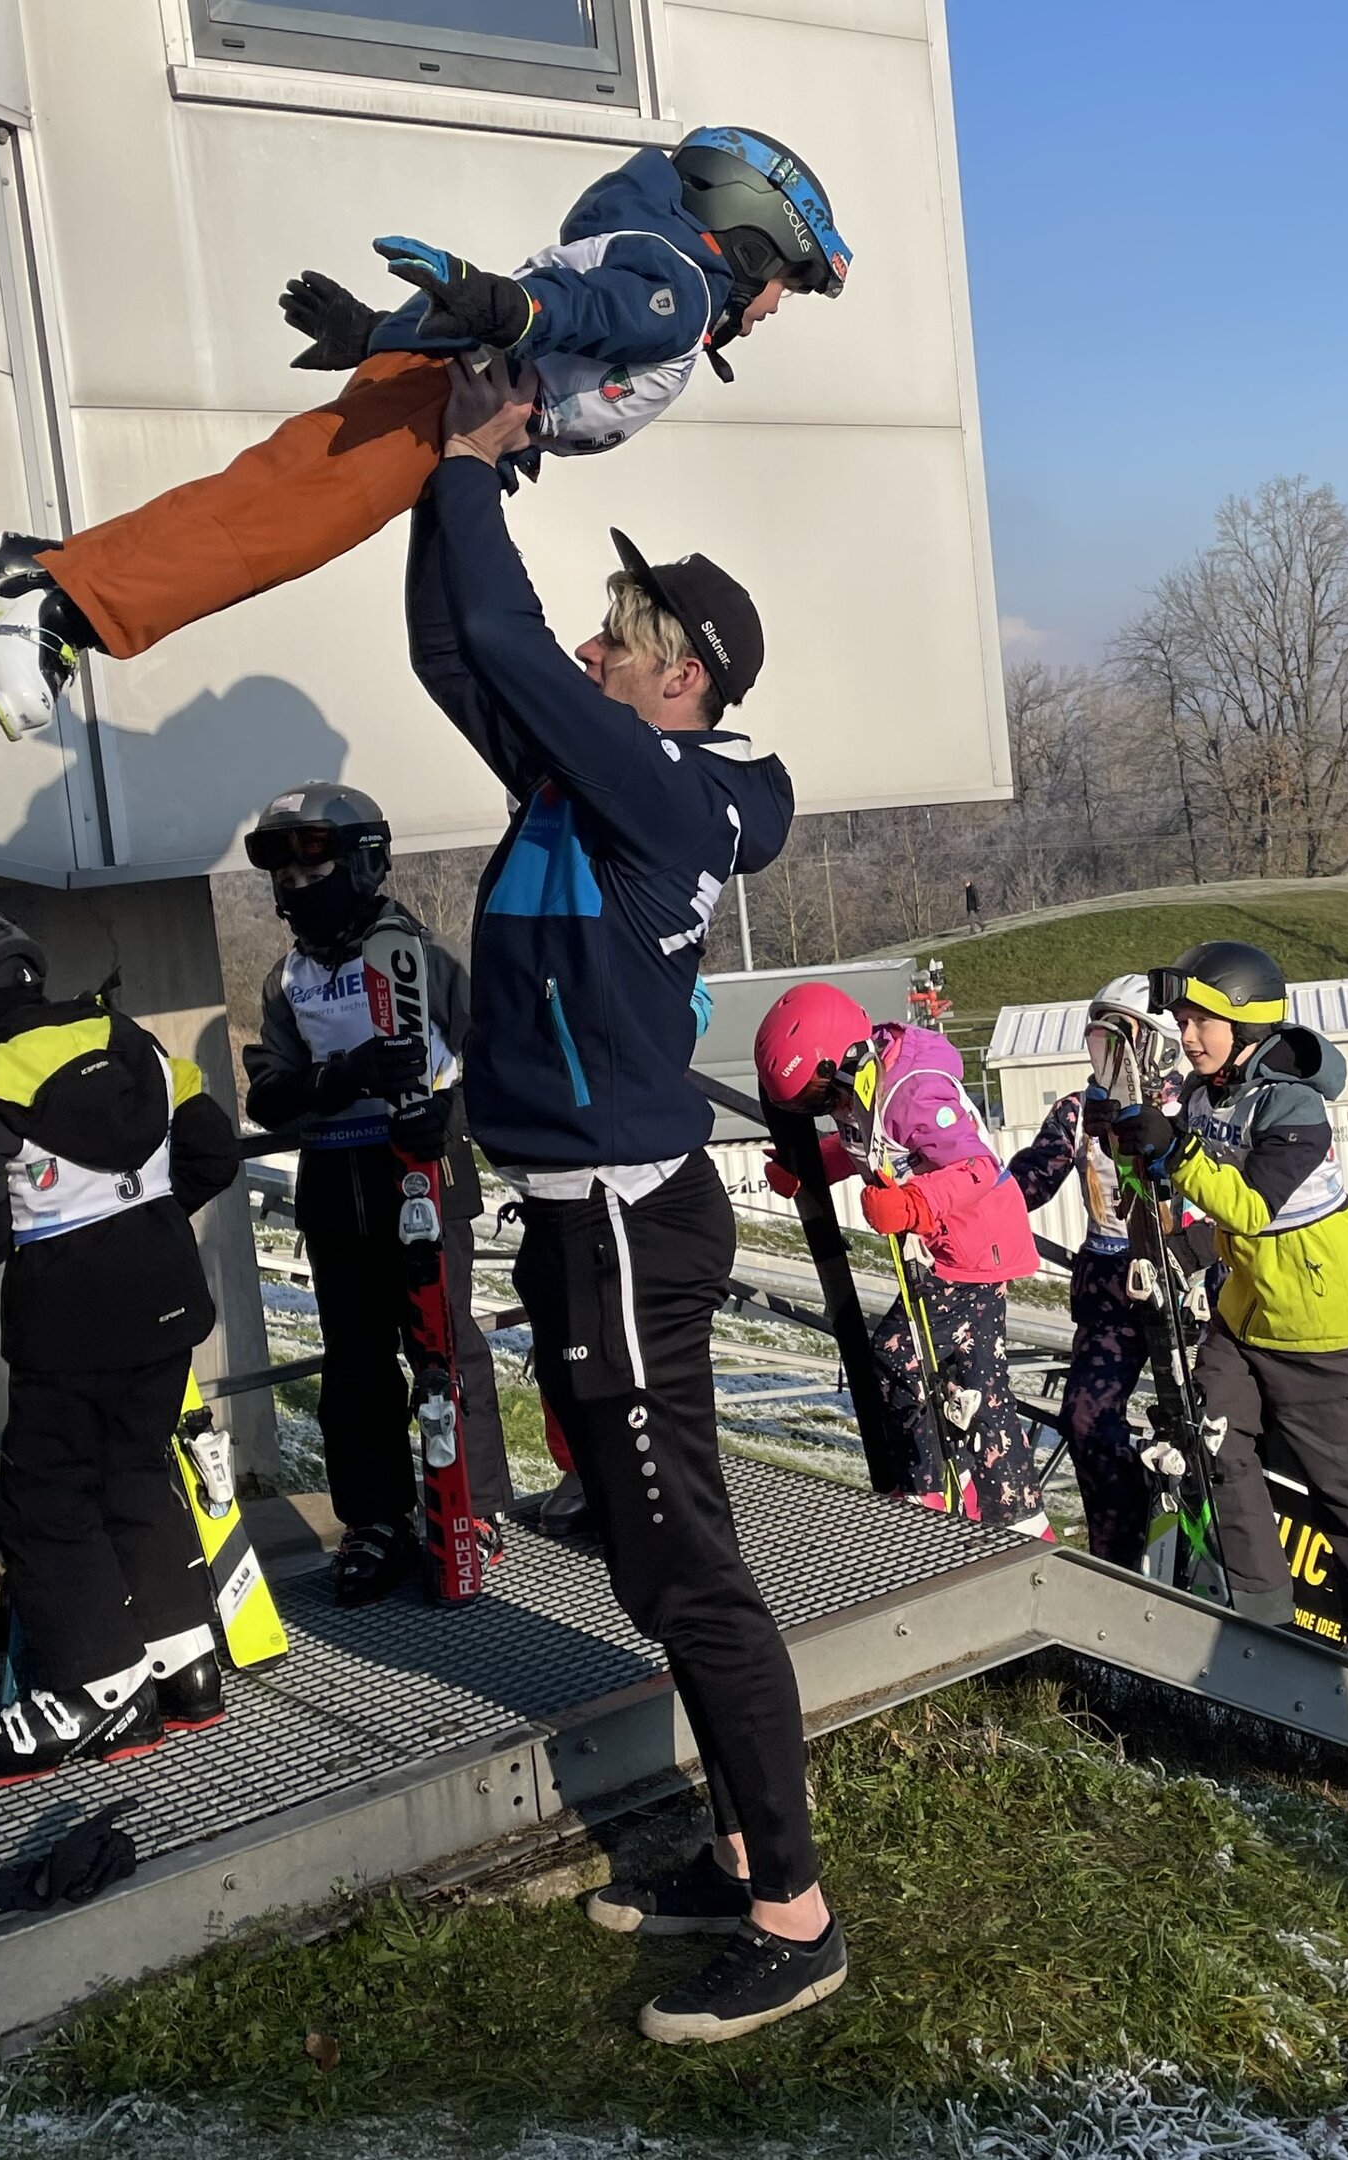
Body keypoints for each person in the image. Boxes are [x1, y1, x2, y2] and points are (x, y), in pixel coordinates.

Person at [401, 366, 840, 2044]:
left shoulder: (655, 794)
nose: (587, 654)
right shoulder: (586, 779)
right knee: (655, 1567)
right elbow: (458, 652)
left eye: (616, 640)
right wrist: (443, 479)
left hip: (620, 1227)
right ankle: (737, 1854)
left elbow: (507, 648)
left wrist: (470, 460)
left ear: (680, 678)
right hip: (575, 1217)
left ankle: (794, 1916)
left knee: (688, 1574)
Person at [0, 128, 849, 740]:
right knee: (268, 531)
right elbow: (578, 308)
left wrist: (376, 333)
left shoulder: (655, 260)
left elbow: (552, 311)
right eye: (785, 284)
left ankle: (18, 568)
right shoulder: (680, 292)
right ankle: (58, 612)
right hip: (438, 406)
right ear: (750, 239)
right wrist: (508, 309)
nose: (773, 308)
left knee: (256, 501)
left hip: (432, 387)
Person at [0, 904, 243, 1785]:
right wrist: (140, 1218)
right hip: (167, 1299)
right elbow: (213, 1152)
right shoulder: (125, 1036)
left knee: (48, 1507)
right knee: (137, 1476)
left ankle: (98, 1688)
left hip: (70, 1325)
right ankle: (184, 1665)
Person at [1107, 940, 1348, 1672]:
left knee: (1342, 1482)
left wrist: (1176, 1151)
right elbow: (1187, 1183)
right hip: (1247, 1309)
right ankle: (1258, 1604)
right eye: (1183, 1021)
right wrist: (1129, 1142)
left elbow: (1249, 1204)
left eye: (1202, 1022)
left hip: (1319, 1321)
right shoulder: (1207, 1092)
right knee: (1213, 1438)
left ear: (1247, 1024)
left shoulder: (1293, 1106)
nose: (1188, 1036)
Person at [236, 781, 510, 1601]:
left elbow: (491, 1057)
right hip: (334, 1180)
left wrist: (447, 1114)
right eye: (283, 875)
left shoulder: (423, 958)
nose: (295, 888)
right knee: (354, 1364)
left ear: (361, 864)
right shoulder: (287, 980)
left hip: (419, 1170)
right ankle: (375, 1517)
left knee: (443, 1347)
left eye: (313, 869)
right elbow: (268, 1093)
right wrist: (340, 1076)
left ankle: (472, 1505)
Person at [754, 984, 1043, 1530]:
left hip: (975, 1249)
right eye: (808, 1107)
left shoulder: (914, 1091)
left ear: (845, 1063)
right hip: (940, 1251)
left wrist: (914, 1204)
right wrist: (809, 1164)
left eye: (821, 1098)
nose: (828, 1111)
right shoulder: (859, 1088)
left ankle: (941, 1494)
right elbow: (865, 1145)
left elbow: (978, 1167)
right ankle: (992, 1505)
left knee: (902, 1358)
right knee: (966, 1385)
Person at [1004, 977, 1203, 1566]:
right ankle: (1119, 1552)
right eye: (1099, 1042)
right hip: (1112, 1281)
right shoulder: (1080, 1112)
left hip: (1187, 1278)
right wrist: (960, 1198)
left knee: (1201, 1421)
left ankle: (1206, 1551)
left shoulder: (1195, 1107)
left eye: (1121, 1042)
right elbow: (1030, 1179)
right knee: (1087, 1418)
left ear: (1157, 1046)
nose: (1106, 1057)